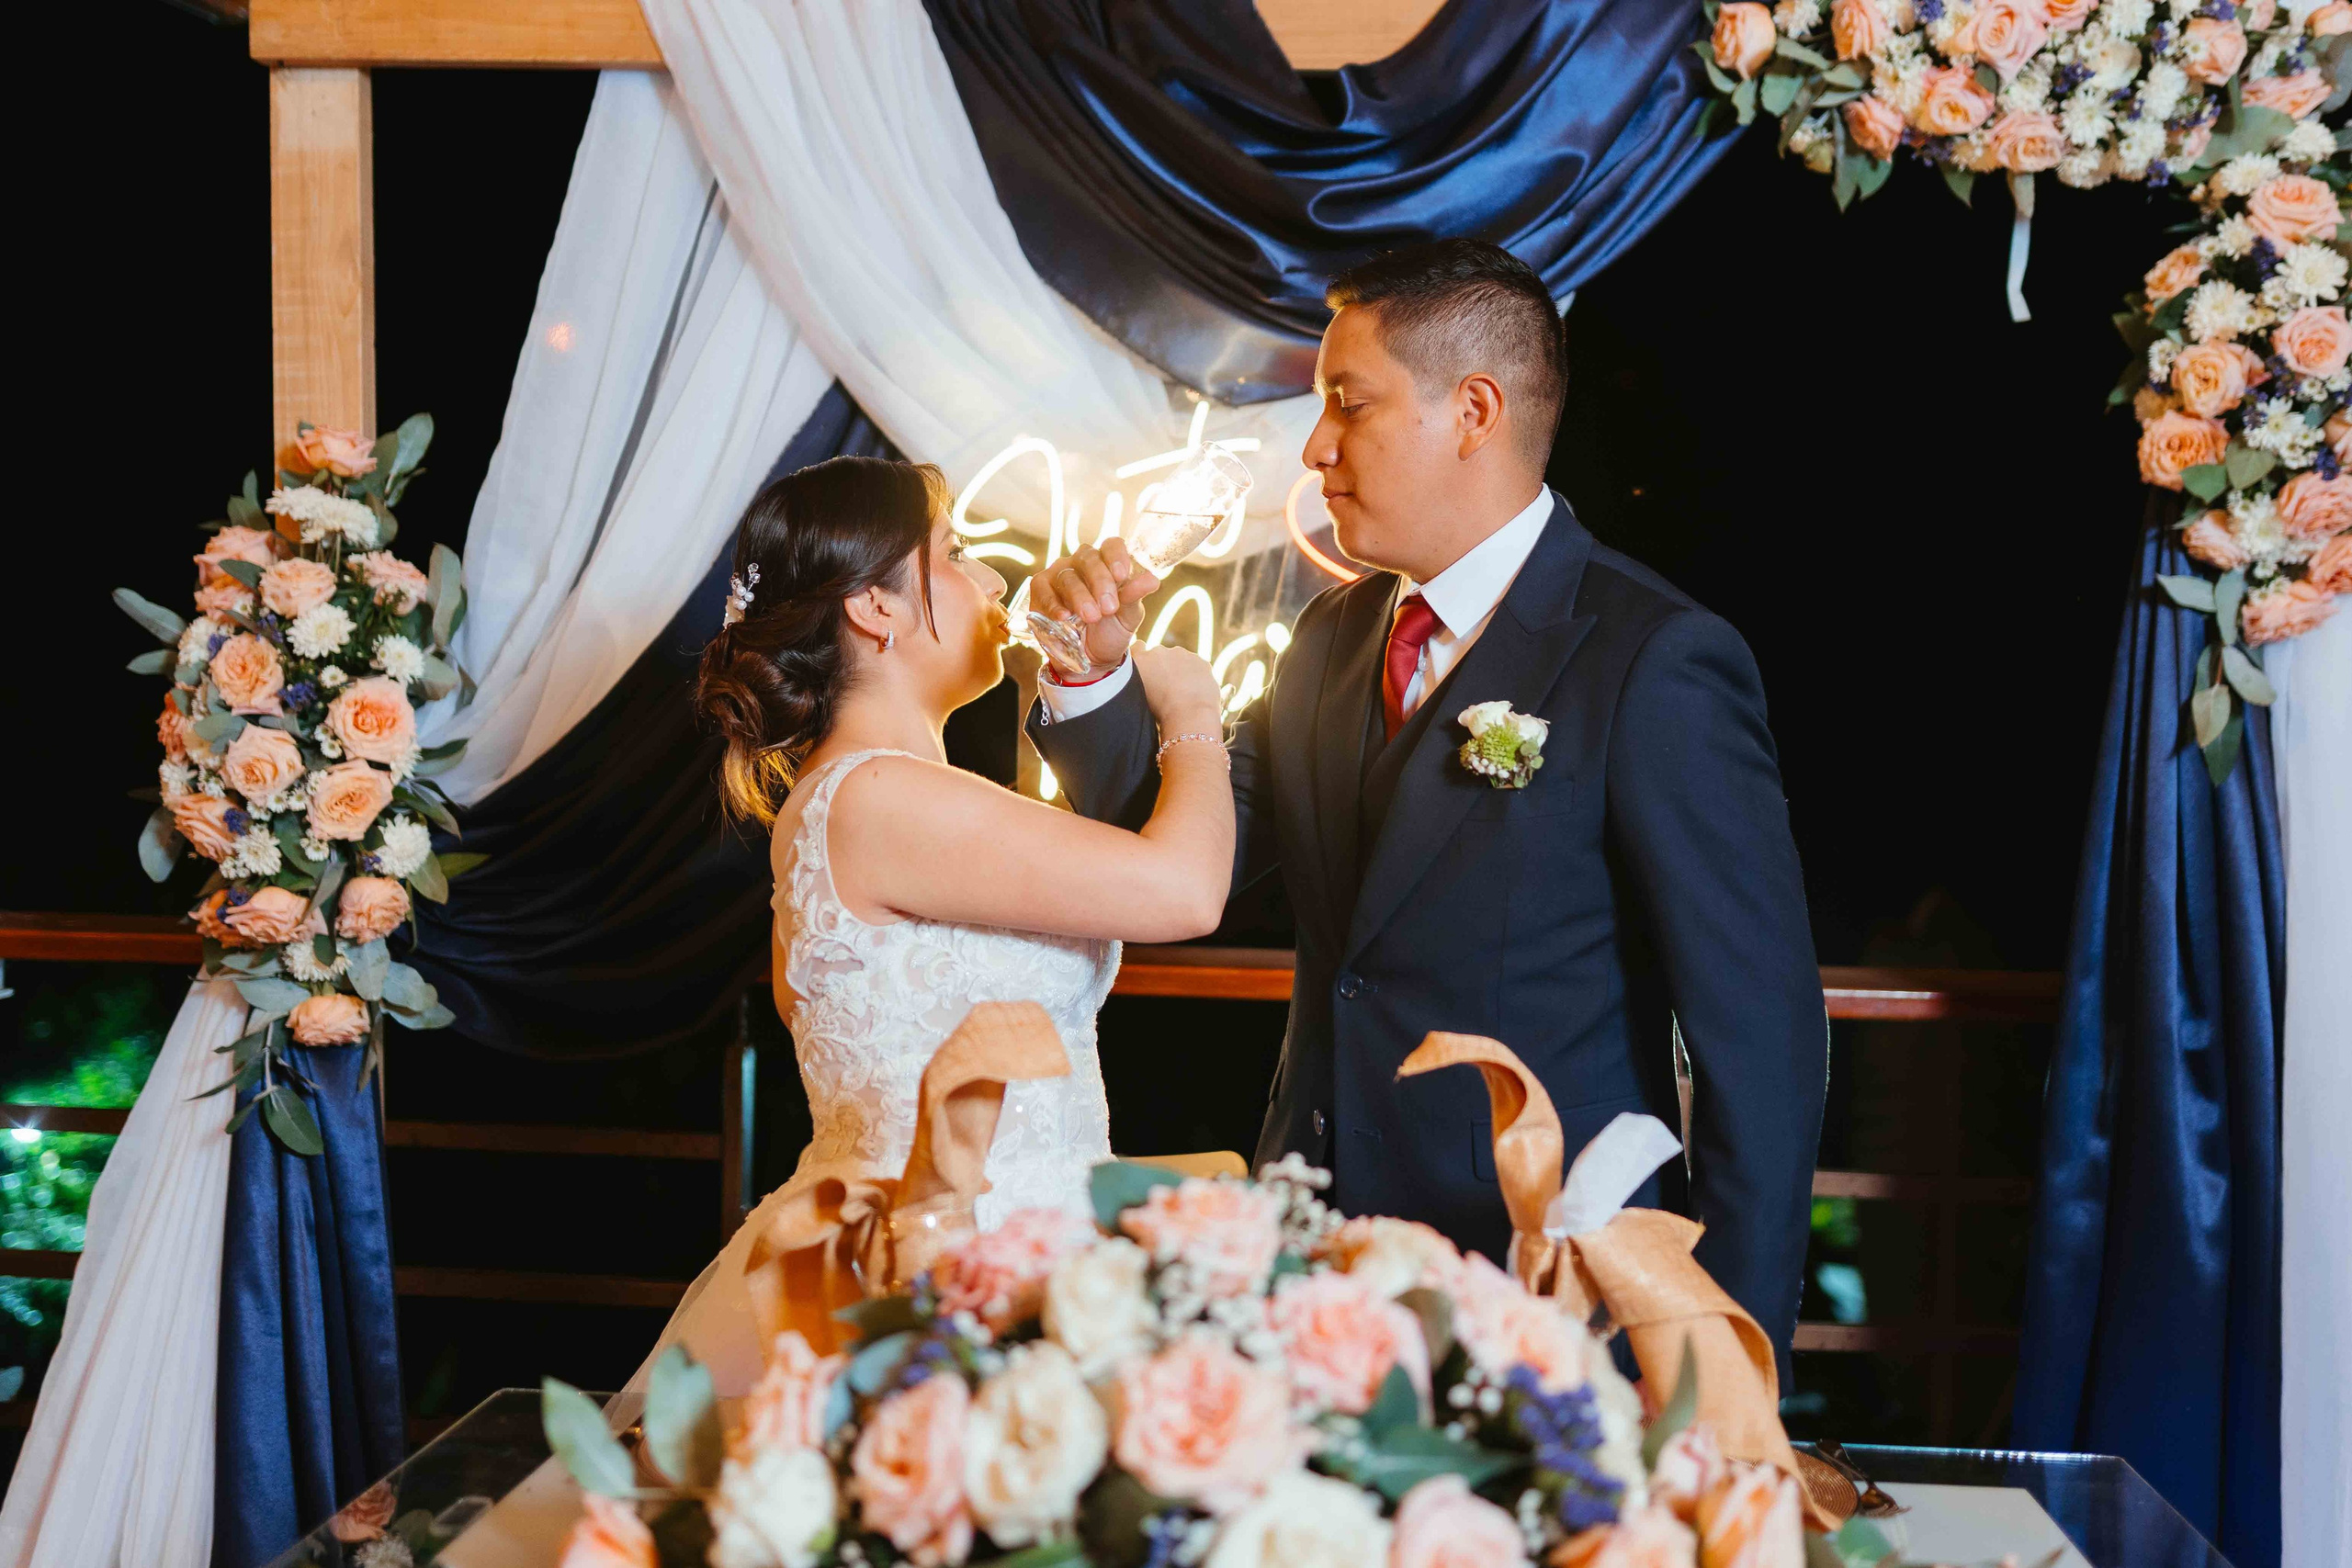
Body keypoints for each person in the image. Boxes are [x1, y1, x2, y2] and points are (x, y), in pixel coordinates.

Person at [1025, 240, 1828, 1375]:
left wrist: (1726, 1361)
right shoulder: (1329, 640)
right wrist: (1091, 677)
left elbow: (1762, 1046)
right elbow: (1173, 845)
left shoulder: (1653, 660)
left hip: (1547, 1295)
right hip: (1312, 1279)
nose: (1314, 449)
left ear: (1475, 411)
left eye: (1347, 405)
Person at [630, 454, 1231, 1393]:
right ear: (874, 606)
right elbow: (1184, 892)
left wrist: (1090, 675)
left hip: (1013, 1258)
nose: (993, 580)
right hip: (947, 1280)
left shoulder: (878, 798)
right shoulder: (876, 798)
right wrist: (1192, 710)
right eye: (953, 553)